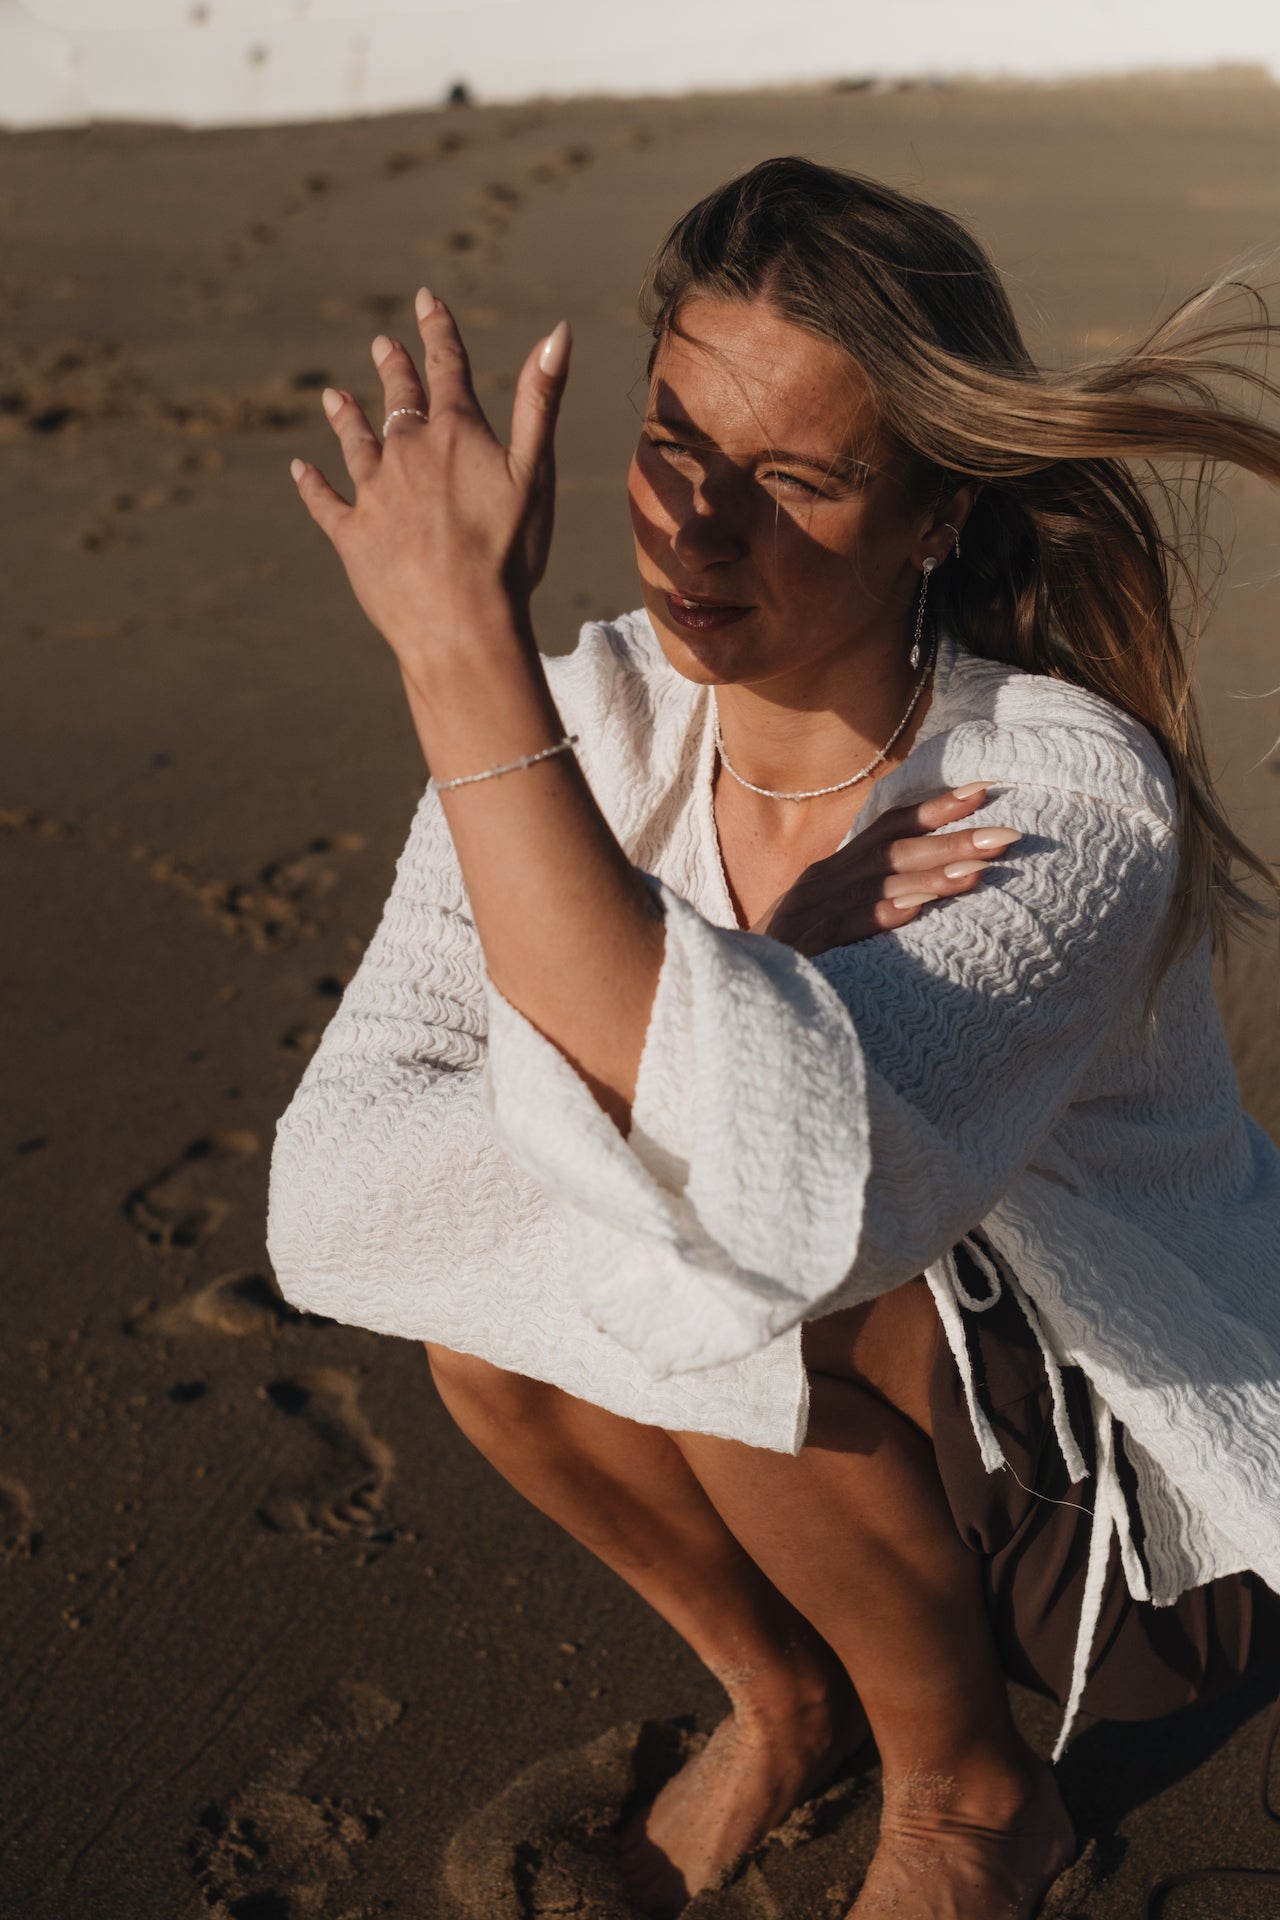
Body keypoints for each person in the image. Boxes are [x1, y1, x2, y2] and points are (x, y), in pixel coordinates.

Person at [267, 158, 1280, 1918]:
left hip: (1131, 1524)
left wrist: (456, 666)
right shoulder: (587, 720)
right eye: (674, 442)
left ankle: (975, 1800)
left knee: (716, 1255)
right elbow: (332, 1200)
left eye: (798, 480)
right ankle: (791, 1692)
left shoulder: (1052, 790)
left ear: (935, 517)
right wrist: (741, 969)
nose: (695, 528)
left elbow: (797, 1209)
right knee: (489, 1322)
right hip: (864, 1446)